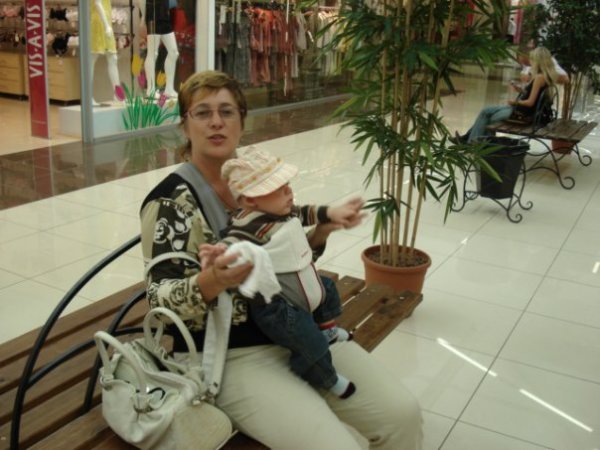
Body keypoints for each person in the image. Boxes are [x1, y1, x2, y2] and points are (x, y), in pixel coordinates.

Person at [139, 70, 423, 449]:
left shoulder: (255, 177)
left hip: (297, 328)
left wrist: (321, 232)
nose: (216, 122)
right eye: (202, 113)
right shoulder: (171, 202)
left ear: (242, 121)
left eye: (227, 111)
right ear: (185, 126)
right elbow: (159, 303)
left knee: (403, 415)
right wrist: (214, 280)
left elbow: (281, 260)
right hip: (231, 353)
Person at [199, 146, 360, 399]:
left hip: (297, 283)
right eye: (279, 188)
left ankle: (327, 328)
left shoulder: (279, 211)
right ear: (251, 200)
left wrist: (331, 213)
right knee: (306, 338)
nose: (289, 192)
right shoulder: (249, 226)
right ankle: (326, 377)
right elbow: (233, 243)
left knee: (326, 288)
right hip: (277, 305)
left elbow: (306, 212)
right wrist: (218, 254)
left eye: (287, 185)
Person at [455, 47, 559, 144]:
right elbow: (534, 97)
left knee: (487, 117)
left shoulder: (539, 78)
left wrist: (514, 102)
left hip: (521, 114)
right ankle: (473, 141)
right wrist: (521, 90)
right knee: (485, 111)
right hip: (521, 111)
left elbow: (530, 102)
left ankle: (471, 142)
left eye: (532, 59)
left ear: (538, 61)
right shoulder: (545, 76)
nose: (531, 61)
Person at [138, 0, 179, 97]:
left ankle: (169, 88)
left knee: (174, 52)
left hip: (164, 16)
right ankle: (150, 89)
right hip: (153, 16)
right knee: (153, 53)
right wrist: (143, 18)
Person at [91, 0, 121, 103]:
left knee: (113, 58)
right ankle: (88, 95)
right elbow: (97, 3)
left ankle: (117, 95)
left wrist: (107, 24)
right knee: (92, 58)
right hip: (99, 22)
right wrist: (106, 25)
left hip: (106, 21)